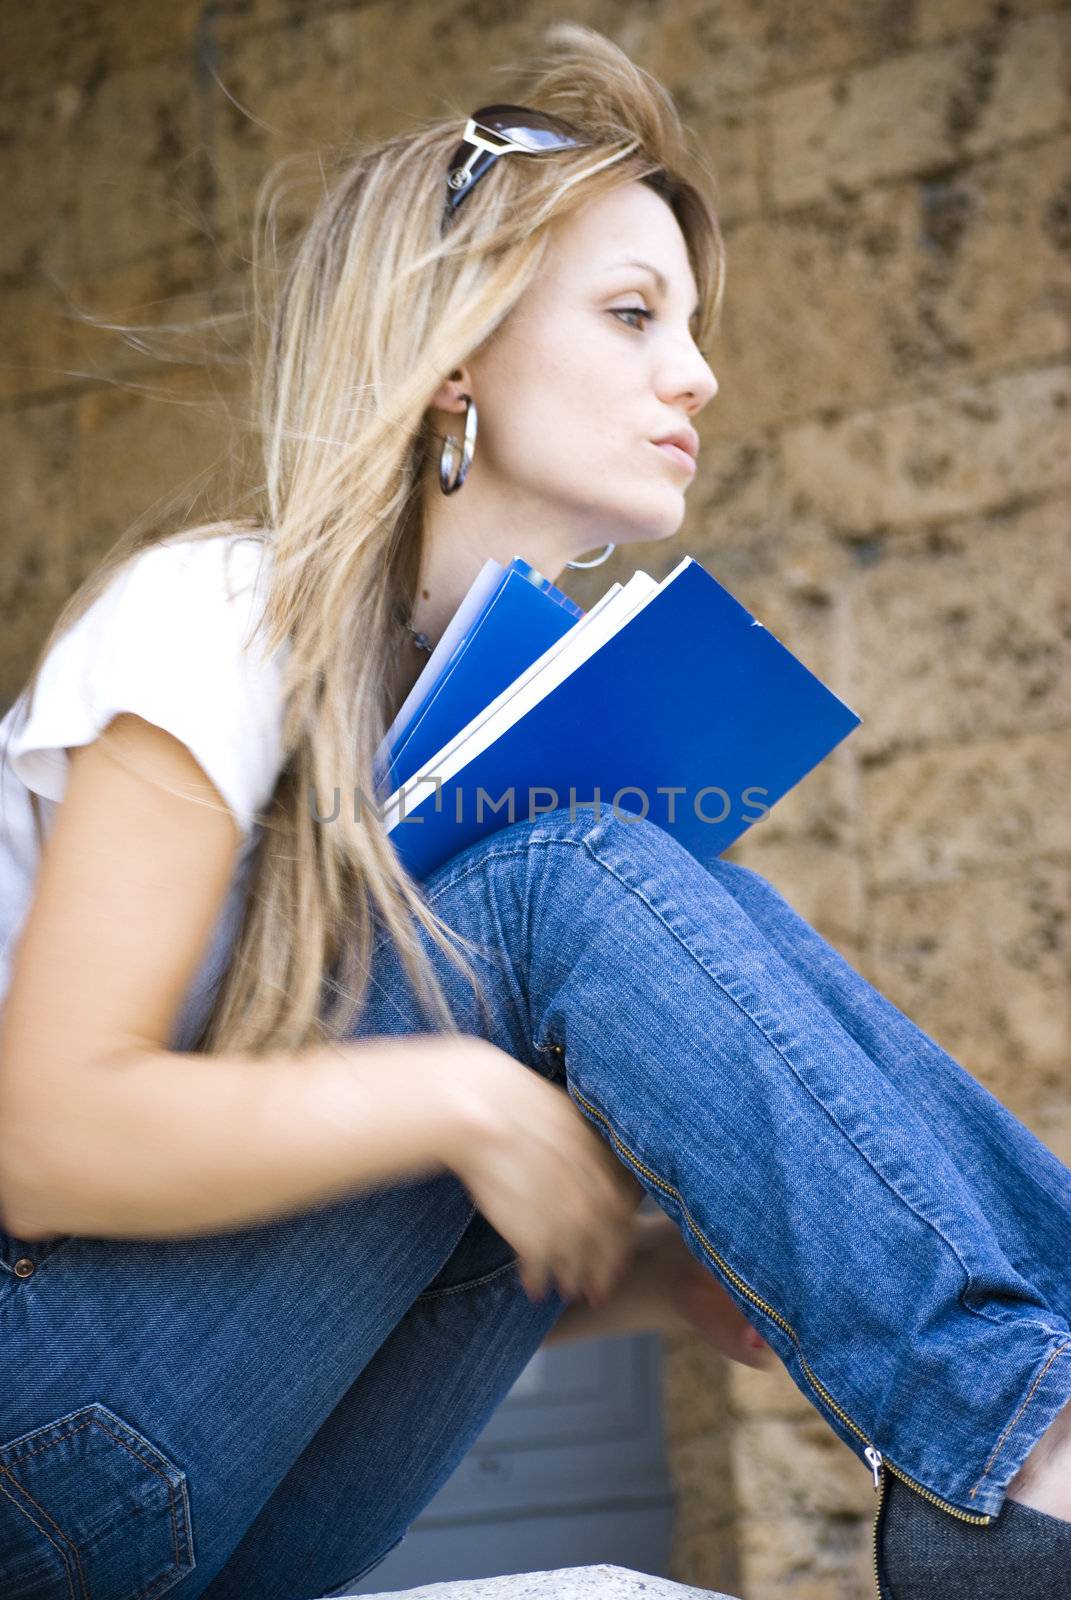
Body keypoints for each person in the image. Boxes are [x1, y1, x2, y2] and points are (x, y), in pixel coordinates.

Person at [0, 21, 1068, 1600]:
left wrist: (645, 1276)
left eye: (689, 325)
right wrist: (462, 1098)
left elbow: (315, 1246)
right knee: (564, 882)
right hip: (43, 1432)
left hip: (213, 1492)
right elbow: (45, 1139)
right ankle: (1024, 1474)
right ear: (454, 354)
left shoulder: (449, 702)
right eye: (633, 314)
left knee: (675, 917)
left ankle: (1035, 1439)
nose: (695, 371)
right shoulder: (216, 614)